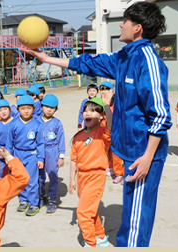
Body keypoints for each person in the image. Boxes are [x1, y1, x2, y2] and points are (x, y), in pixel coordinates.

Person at [21, 1, 172, 247]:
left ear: (137, 28)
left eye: (125, 21)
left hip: (144, 153)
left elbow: (161, 116)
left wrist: (147, 157)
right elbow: (88, 63)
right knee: (132, 211)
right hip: (131, 152)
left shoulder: (148, 61)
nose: (121, 24)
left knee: (137, 219)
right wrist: (45, 57)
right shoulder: (125, 57)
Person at [70, 97, 113, 247]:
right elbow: (74, 160)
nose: (89, 113)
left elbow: (112, 128)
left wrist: (107, 106)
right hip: (82, 176)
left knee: (82, 212)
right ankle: (100, 236)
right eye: (86, 110)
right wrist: (72, 180)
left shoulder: (103, 132)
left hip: (96, 175)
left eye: (94, 110)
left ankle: (90, 242)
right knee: (90, 209)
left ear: (101, 116)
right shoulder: (77, 137)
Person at [5, 95, 45, 216]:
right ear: (18, 109)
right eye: (23, 108)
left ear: (34, 108)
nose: (26, 111)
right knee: (19, 178)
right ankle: (23, 200)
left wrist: (40, 158)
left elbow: (41, 143)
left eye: (29, 108)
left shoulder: (37, 124)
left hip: (31, 155)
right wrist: (9, 157)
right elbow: (9, 142)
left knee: (32, 180)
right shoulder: (14, 123)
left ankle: (33, 203)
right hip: (18, 154)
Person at [38, 94, 65, 213]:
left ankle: (53, 200)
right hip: (39, 151)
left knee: (53, 176)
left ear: (56, 109)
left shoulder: (57, 123)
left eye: (52, 107)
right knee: (39, 176)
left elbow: (61, 140)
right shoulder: (36, 121)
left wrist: (61, 156)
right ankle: (41, 196)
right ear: (41, 106)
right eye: (46, 106)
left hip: (52, 151)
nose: (49, 110)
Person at [100, 81, 123, 183]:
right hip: (103, 132)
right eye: (102, 89)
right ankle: (110, 167)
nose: (104, 91)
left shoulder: (117, 103)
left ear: (112, 91)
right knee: (105, 152)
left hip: (115, 132)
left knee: (116, 154)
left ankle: (120, 173)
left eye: (106, 89)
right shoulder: (98, 102)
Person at [0, 99, 14, 178]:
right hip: (1, 150)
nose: (3, 112)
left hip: (14, 150)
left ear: (10, 109)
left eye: (5, 109)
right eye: (0, 110)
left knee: (15, 171)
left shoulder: (15, 122)